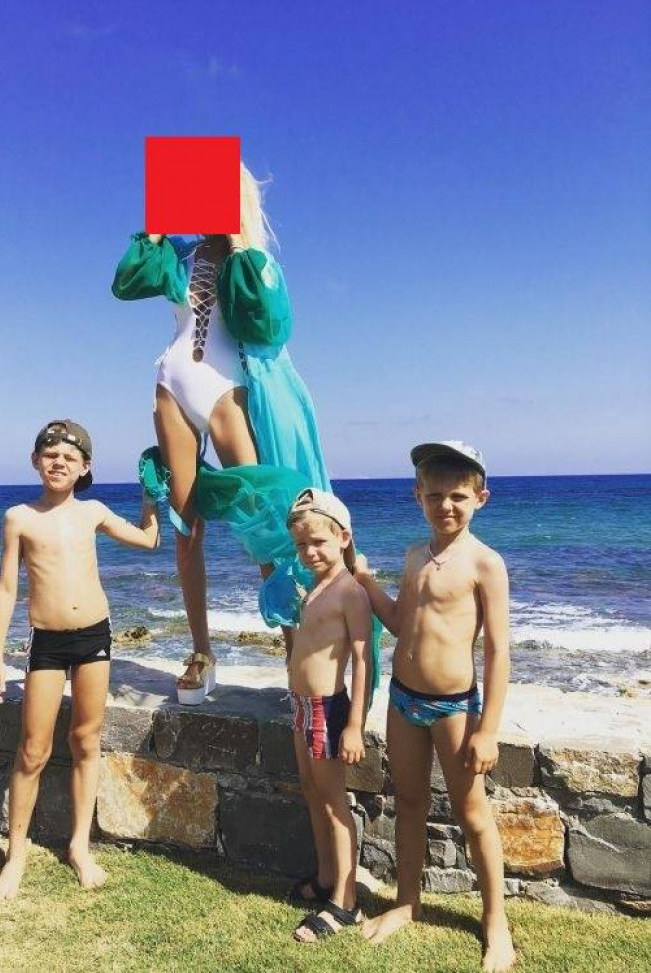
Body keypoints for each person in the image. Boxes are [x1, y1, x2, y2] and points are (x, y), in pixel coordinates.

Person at [111, 161, 329, 704]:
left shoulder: (252, 261)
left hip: (228, 392)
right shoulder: (179, 254)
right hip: (172, 386)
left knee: (266, 522)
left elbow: (267, 324)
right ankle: (201, 652)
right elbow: (125, 283)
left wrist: (236, 240)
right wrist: (159, 221)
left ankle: (295, 650)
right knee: (186, 526)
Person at [355, 441, 516, 972]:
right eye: (434, 496)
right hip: (404, 699)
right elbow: (400, 622)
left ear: (480, 499)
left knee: (473, 815)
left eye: (458, 497)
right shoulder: (414, 557)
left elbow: (497, 651)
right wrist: (365, 581)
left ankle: (496, 924)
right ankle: (407, 902)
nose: (446, 506)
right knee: (409, 802)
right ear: (417, 496)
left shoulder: (485, 564)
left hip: (454, 708)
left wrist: (487, 729)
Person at [0, 419, 160, 901]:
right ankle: (16, 856)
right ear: (35, 461)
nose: (58, 462)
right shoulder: (19, 517)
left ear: (85, 467)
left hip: (94, 638)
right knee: (33, 750)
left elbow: (148, 541)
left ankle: (79, 846)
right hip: (46, 643)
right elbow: (6, 588)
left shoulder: (93, 511)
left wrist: (152, 499)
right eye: (50, 454)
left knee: (85, 740)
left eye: (69, 457)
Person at [285, 488, 371, 943]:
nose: (310, 552)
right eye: (301, 544)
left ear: (343, 538)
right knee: (311, 791)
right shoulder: (315, 588)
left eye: (318, 542)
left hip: (327, 708)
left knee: (335, 803)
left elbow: (363, 659)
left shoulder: (349, 592)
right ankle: (324, 878)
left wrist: (354, 725)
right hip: (301, 706)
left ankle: (345, 901)